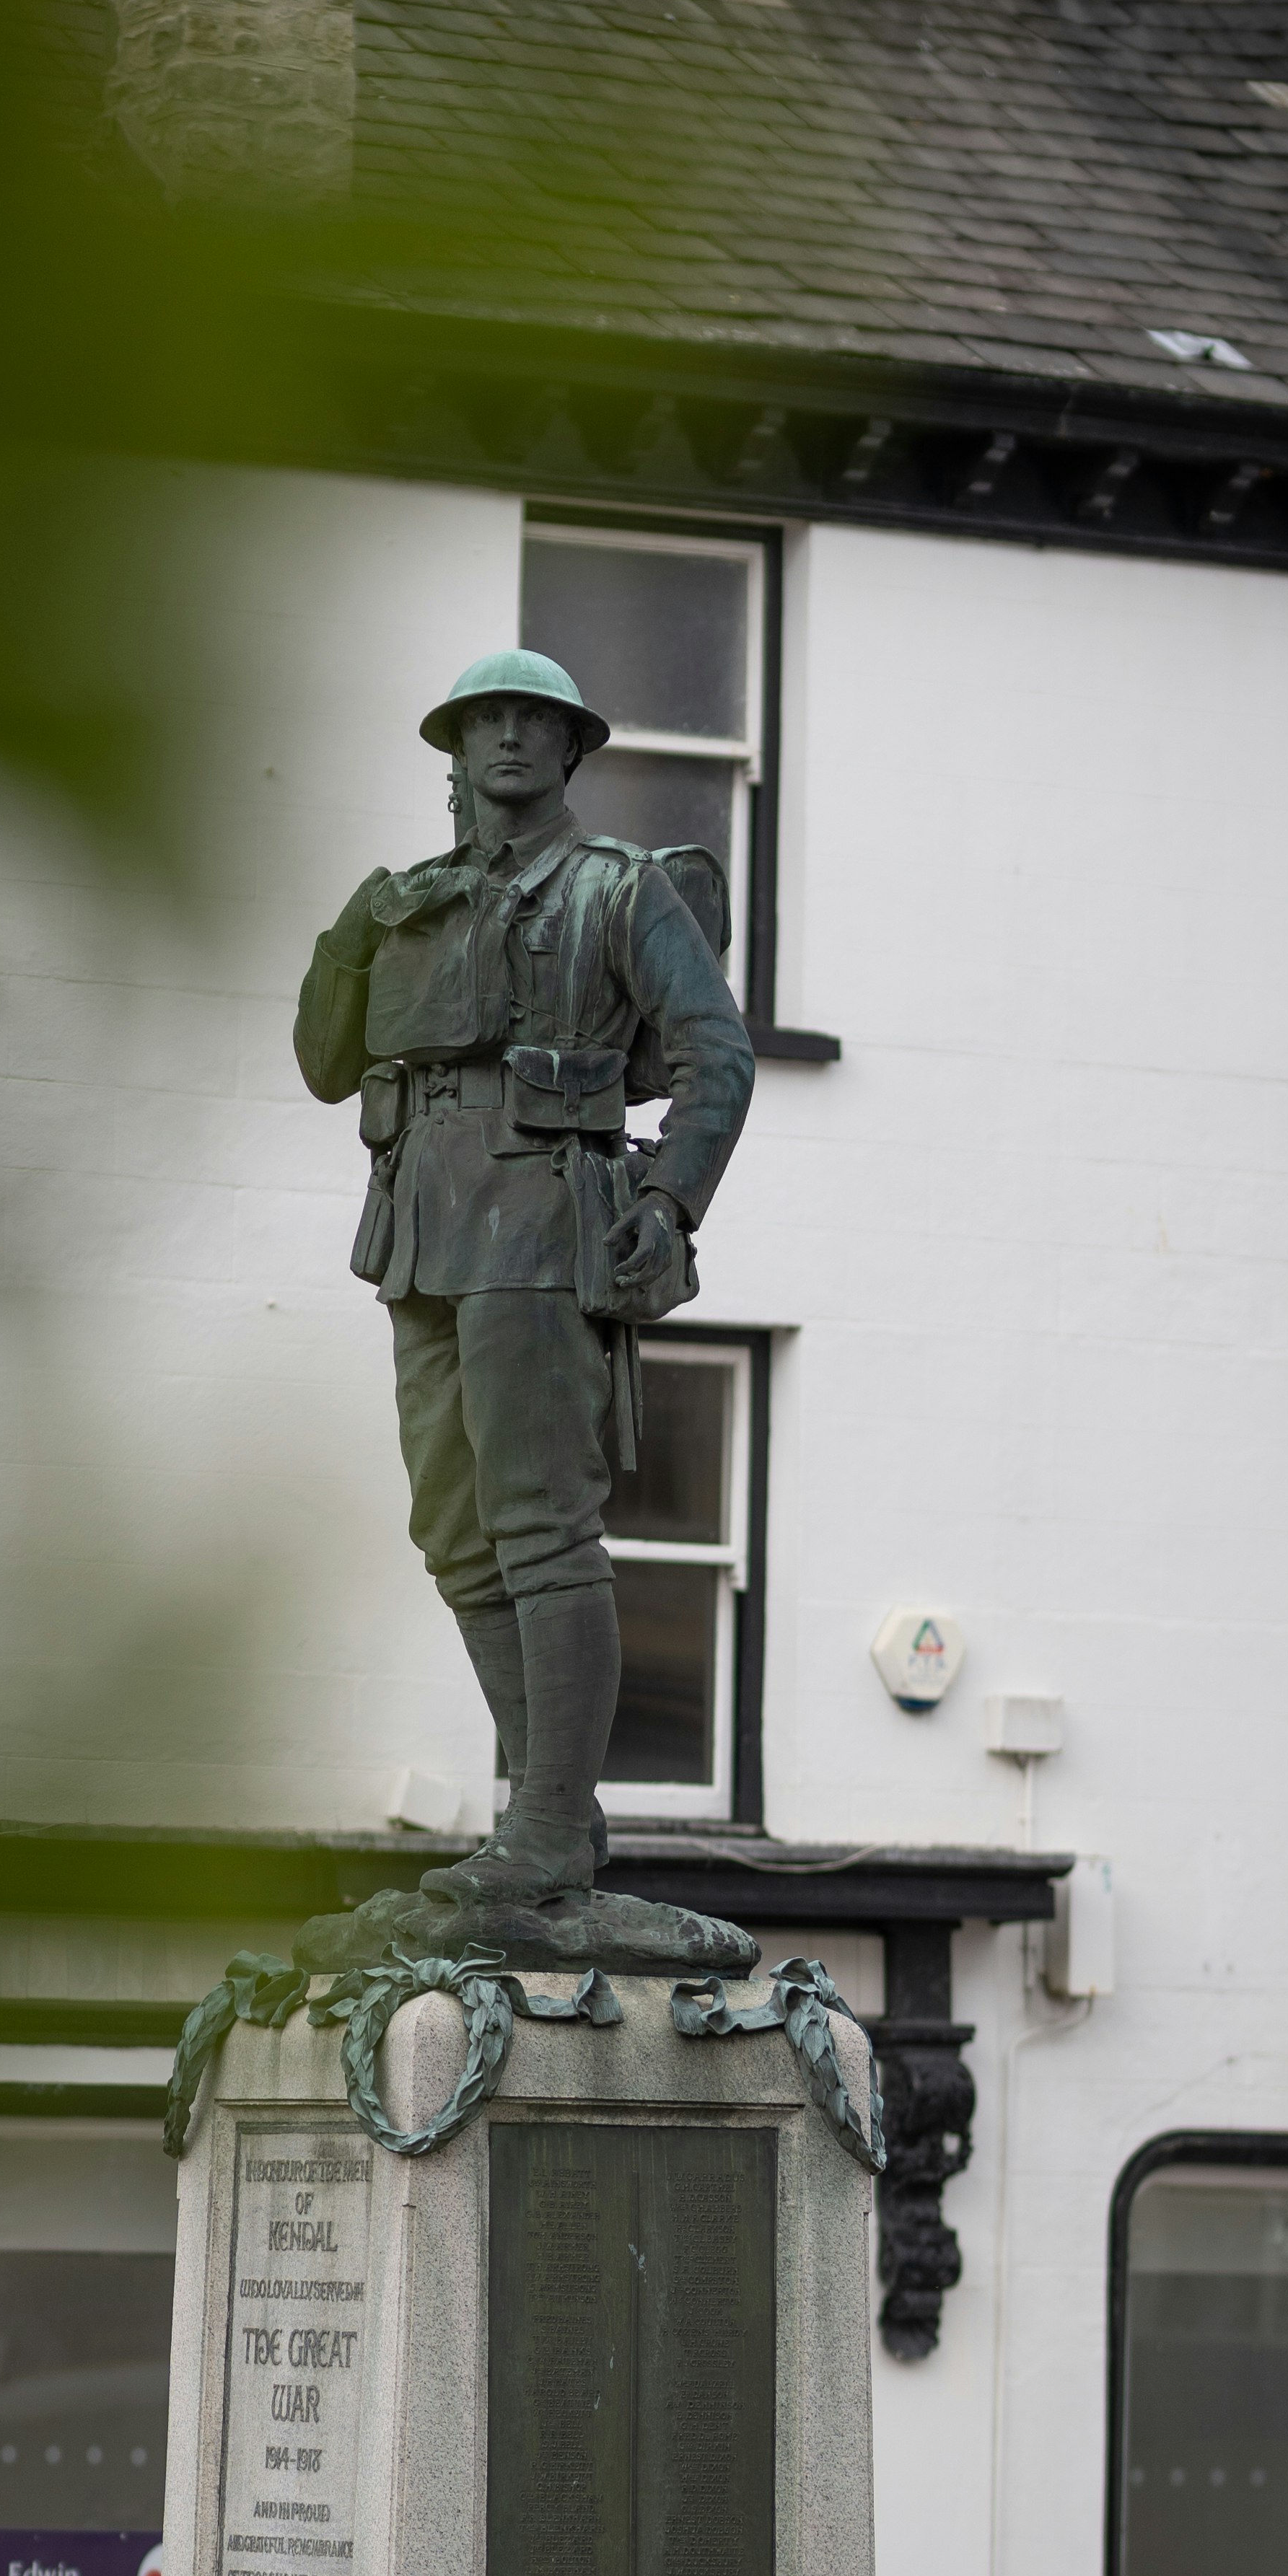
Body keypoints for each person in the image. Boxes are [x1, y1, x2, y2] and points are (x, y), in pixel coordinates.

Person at [293, 646, 755, 1914]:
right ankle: (560, 1820)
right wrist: (349, 930)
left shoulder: (618, 891)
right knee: (453, 1531)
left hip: (547, 1222)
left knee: (546, 1525)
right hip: (423, 1231)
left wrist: (668, 1201)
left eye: (532, 720)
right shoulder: (406, 901)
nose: (507, 736)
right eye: (483, 718)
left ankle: (546, 1826)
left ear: (569, 749)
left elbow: (717, 1055)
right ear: (453, 746)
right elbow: (326, 1067)